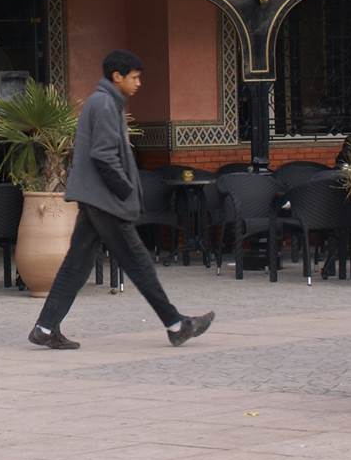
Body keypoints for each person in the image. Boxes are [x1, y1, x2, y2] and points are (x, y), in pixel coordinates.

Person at [30, 50, 215, 351]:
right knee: (139, 263)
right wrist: (125, 189)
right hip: (105, 201)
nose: (138, 83)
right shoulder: (104, 103)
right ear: (117, 76)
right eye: (135, 77)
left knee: (76, 266)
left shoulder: (105, 102)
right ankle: (177, 325)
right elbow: (103, 155)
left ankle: (45, 327)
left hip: (97, 199)